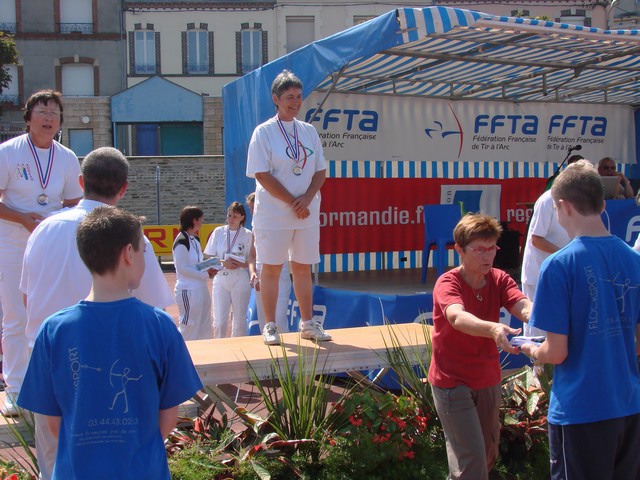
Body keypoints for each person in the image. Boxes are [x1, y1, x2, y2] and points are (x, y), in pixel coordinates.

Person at [19, 146, 175, 479]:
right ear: (124, 188)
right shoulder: (129, 237)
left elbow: (25, 299)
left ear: (80, 182)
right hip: (111, 366)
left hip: (49, 363)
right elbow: (155, 308)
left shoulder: (43, 229)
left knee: (55, 463)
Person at [519, 160, 640, 479]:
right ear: (602, 205)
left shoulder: (558, 265)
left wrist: (529, 348)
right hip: (629, 404)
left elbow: (556, 352)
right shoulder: (634, 259)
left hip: (581, 409)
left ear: (563, 206)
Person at [428, 213, 531, 480]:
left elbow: (522, 305)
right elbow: (457, 317)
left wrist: (540, 314)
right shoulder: (448, 282)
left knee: (486, 456)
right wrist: (493, 329)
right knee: (472, 464)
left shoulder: (500, 279)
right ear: (460, 250)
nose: (488, 256)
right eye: (480, 250)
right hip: (452, 383)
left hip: (487, 379)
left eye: (492, 248)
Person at [0, 89, 83, 415]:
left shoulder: (67, 157)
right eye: (42, 112)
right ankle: (15, 388)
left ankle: (52, 384)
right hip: (13, 242)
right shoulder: (8, 152)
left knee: (57, 312)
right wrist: (22, 217)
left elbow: (74, 202)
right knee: (15, 315)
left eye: (54, 113)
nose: (48, 118)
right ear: (28, 118)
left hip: (51, 245)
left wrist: (55, 221)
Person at [246, 69, 330, 345]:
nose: (295, 102)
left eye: (298, 96)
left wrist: (306, 199)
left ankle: (308, 324)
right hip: (274, 214)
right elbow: (261, 174)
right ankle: (270, 325)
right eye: (289, 97)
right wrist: (292, 201)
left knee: (303, 267)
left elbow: (320, 170)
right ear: (276, 99)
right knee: (271, 268)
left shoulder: (308, 131)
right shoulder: (264, 132)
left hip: (306, 212)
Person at [521, 155, 583, 336]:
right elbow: (536, 239)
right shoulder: (547, 200)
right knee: (537, 332)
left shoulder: (578, 201)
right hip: (537, 274)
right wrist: (566, 255)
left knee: (559, 329)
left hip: (561, 274)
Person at [204, 201, 252, 338]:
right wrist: (223, 263)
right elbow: (208, 257)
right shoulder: (218, 232)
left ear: (242, 217)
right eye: (229, 215)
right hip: (221, 277)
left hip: (240, 277)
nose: (231, 219)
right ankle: (219, 347)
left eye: (235, 216)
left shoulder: (248, 234)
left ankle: (238, 348)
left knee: (239, 321)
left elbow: (252, 259)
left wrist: (242, 264)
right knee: (219, 322)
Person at [246, 192, 292, 334]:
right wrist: (253, 273)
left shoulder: (281, 223)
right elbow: (252, 256)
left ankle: (287, 347)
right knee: (264, 322)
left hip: (280, 275)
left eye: (254, 208)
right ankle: (270, 346)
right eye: (250, 209)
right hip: (261, 277)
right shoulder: (255, 227)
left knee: (279, 320)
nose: (252, 212)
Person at [173, 206, 214, 340]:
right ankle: (184, 351)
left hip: (201, 288)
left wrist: (213, 264)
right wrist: (205, 274)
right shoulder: (181, 241)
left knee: (204, 325)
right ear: (193, 220)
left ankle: (203, 352)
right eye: (200, 219)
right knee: (189, 326)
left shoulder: (195, 239)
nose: (202, 222)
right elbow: (182, 268)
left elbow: (197, 264)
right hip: (188, 290)